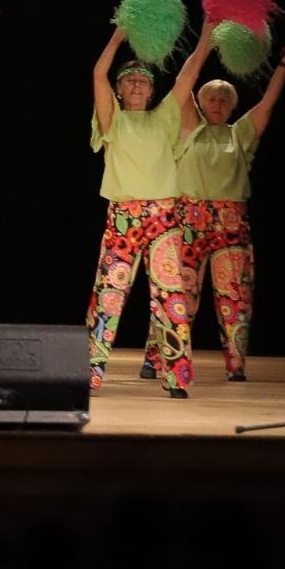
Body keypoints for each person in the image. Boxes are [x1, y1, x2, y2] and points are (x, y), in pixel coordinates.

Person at [85, 22, 214, 397]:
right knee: (108, 294)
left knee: (171, 297)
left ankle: (176, 377)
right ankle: (91, 372)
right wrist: (119, 35)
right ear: (120, 91)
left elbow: (190, 73)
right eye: (129, 80)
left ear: (152, 90)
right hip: (123, 216)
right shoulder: (113, 121)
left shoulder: (164, 119)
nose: (137, 84)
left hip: (163, 218)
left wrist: (206, 33)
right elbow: (98, 73)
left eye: (143, 80)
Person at [153, 61, 285, 381]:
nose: (218, 104)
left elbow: (268, 103)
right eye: (212, 98)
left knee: (235, 296)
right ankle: (159, 357)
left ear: (233, 106)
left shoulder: (239, 134)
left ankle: (236, 363)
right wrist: (201, 44)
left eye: (225, 99)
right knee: (178, 295)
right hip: (189, 220)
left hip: (230, 223)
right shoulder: (188, 128)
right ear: (200, 103)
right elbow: (182, 84)